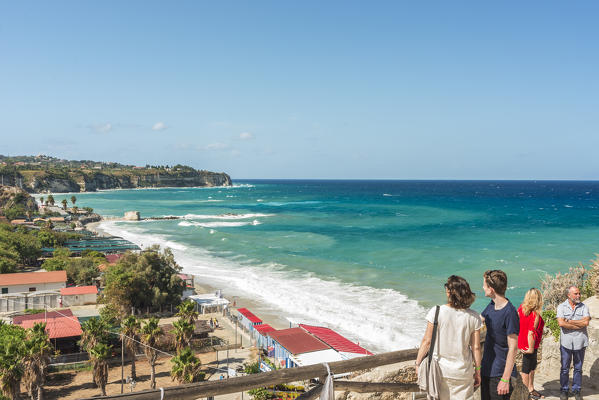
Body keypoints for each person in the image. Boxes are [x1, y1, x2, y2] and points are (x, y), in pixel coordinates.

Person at [416, 275, 483, 400]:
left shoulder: (436, 312)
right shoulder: (474, 317)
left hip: (440, 371)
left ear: (450, 293)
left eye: (447, 287)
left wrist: (418, 363)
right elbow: (476, 347)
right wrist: (478, 371)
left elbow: (427, 341)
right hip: (463, 372)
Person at [481, 269, 519, 400]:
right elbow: (477, 321)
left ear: (491, 289)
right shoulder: (491, 305)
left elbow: (513, 348)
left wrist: (505, 379)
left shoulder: (510, 312)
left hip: (500, 373)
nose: (482, 288)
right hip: (486, 368)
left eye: (484, 285)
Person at [556, 286, 590, 400]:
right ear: (569, 295)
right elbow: (561, 323)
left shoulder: (584, 306)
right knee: (564, 368)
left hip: (580, 342)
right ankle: (564, 390)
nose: (579, 295)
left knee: (578, 368)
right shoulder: (561, 307)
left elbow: (586, 322)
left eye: (579, 293)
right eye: (576, 293)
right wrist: (578, 324)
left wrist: (569, 321)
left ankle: (576, 390)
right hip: (566, 343)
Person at [517, 288, 545, 399]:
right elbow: (531, 333)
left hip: (524, 343)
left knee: (532, 367)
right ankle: (525, 394)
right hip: (530, 345)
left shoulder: (521, 309)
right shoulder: (535, 315)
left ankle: (530, 389)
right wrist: (531, 348)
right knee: (526, 368)